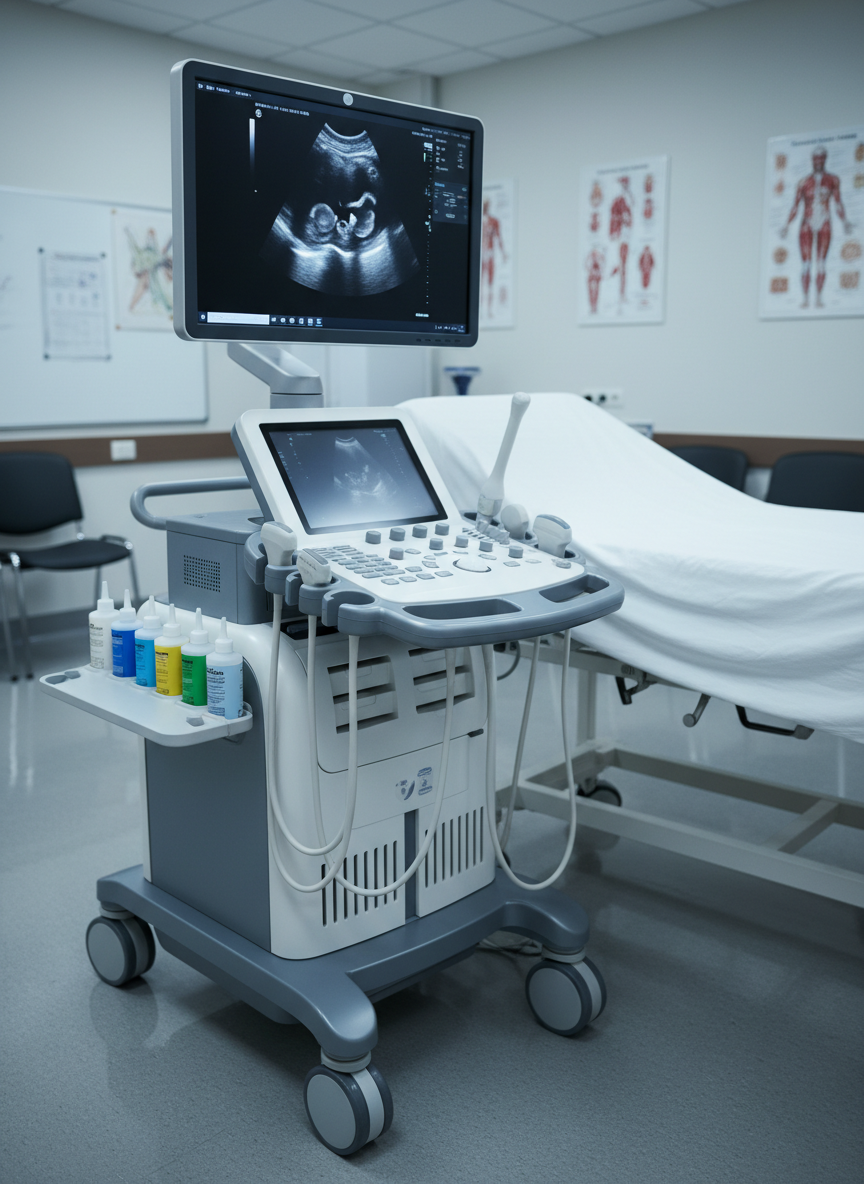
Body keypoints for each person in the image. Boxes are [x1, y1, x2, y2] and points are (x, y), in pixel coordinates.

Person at [780, 145, 852, 308]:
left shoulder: (833, 180)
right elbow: (795, 206)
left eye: (821, 158)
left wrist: (845, 221)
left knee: (820, 263)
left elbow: (838, 203)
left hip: (824, 222)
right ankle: (805, 298)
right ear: (812, 160)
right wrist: (786, 225)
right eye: (815, 158)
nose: (818, 161)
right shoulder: (804, 182)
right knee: (806, 264)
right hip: (807, 222)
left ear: (825, 159)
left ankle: (818, 297)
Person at [481, 197, 508, 318]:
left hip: (490, 253)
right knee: (479, 283)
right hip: (480, 254)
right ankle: (479, 312)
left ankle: (489, 310)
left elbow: (499, 238)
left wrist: (503, 253)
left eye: (487, 204)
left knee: (490, 283)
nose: (486, 206)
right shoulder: (476, 221)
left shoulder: (494, 221)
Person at [609, 177, 633, 301]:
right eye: (623, 185)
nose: (625, 188)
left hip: (626, 238)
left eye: (626, 185)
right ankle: (618, 294)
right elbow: (613, 220)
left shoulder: (628, 201)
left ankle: (622, 294)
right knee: (619, 265)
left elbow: (630, 219)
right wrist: (613, 235)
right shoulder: (616, 203)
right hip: (618, 239)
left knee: (624, 266)